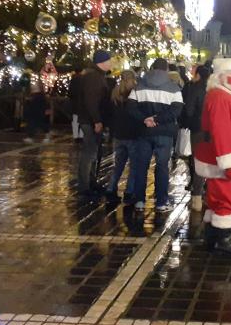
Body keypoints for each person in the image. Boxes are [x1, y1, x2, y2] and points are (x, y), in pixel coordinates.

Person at [194, 57, 231, 255]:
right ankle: (222, 240)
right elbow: (221, 131)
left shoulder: (224, 94)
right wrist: (228, 163)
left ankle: (211, 237)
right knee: (225, 198)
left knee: (215, 198)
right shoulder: (221, 97)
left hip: (223, 155)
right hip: (225, 156)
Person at [127, 58, 183, 213]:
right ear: (166, 70)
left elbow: (130, 107)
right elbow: (176, 110)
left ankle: (139, 200)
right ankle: (161, 201)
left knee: (141, 166)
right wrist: (157, 120)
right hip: (164, 133)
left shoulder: (139, 86)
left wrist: (144, 119)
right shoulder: (174, 88)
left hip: (143, 132)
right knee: (162, 167)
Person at [76, 50, 114, 197]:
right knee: (89, 152)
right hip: (90, 120)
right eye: (108, 60)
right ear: (101, 62)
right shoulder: (93, 78)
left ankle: (91, 182)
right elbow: (91, 101)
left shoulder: (97, 76)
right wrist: (97, 120)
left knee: (93, 152)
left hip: (91, 119)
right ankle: (84, 186)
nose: (110, 63)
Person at [105, 70, 139, 205]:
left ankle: (110, 189)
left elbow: (110, 114)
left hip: (118, 134)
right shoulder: (134, 93)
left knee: (118, 164)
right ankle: (129, 192)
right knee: (133, 166)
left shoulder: (115, 93)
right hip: (132, 134)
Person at [182, 64, 210, 211]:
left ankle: (197, 197)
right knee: (210, 161)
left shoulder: (195, 88)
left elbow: (189, 109)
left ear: (198, 75)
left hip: (198, 129)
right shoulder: (212, 89)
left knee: (198, 161)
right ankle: (209, 193)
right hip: (211, 130)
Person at [68, 67, 84, 144]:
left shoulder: (73, 79)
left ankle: (75, 136)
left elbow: (70, 92)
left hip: (74, 103)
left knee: (75, 120)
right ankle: (81, 136)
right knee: (82, 120)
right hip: (82, 103)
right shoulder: (83, 79)